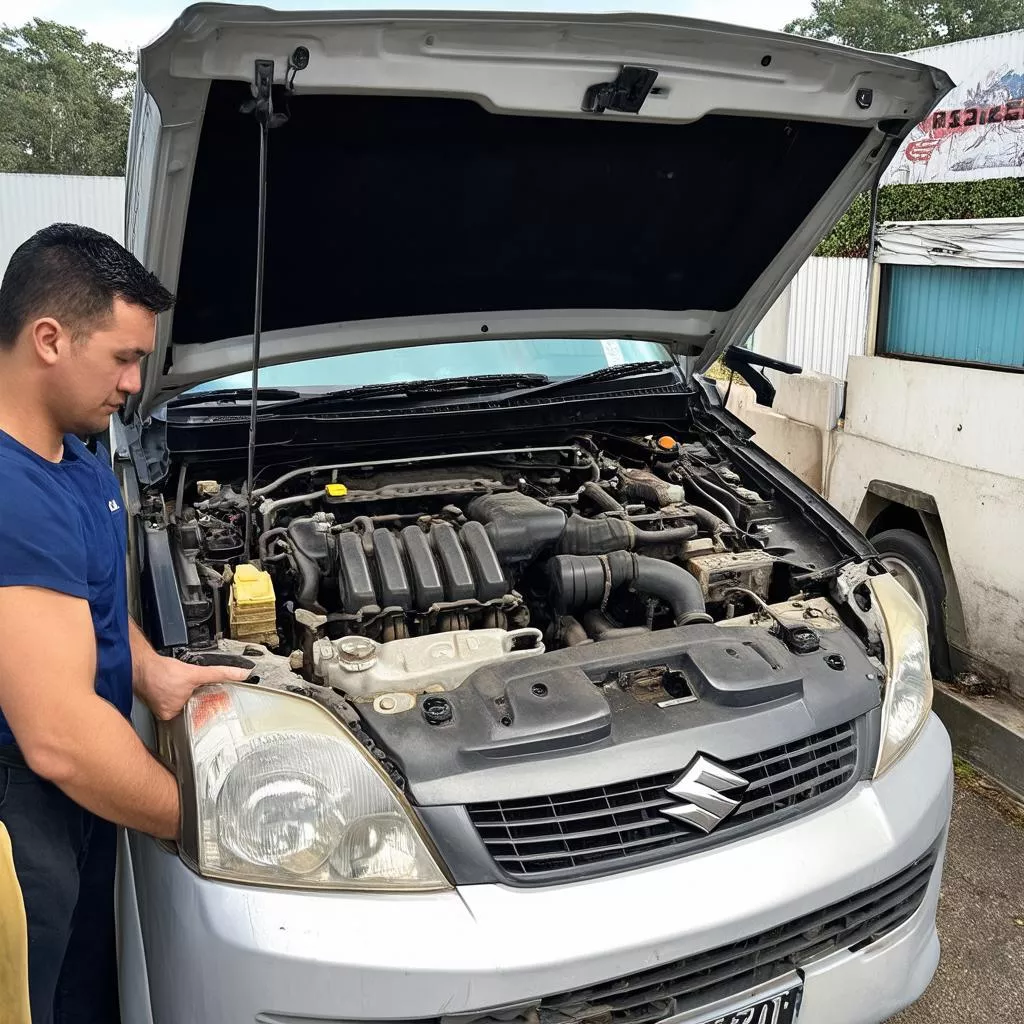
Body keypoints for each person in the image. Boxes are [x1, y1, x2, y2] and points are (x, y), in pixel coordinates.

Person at [0, 224, 250, 1023]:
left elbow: (96, 601)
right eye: (124, 358)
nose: (135, 384)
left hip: (79, 797)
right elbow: (59, 739)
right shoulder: (11, 495)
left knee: (85, 990)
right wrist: (216, 822)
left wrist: (151, 671)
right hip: (21, 814)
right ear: (49, 339)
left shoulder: (69, 454)